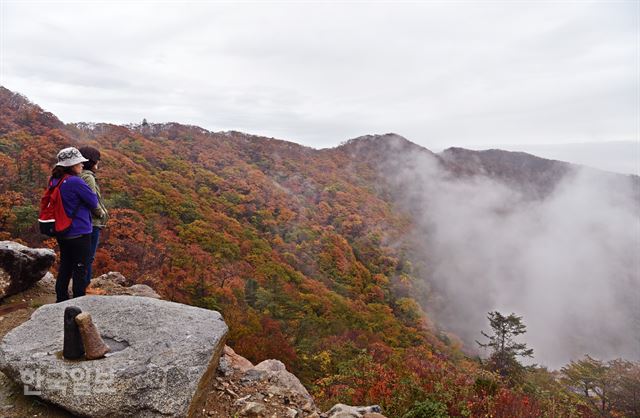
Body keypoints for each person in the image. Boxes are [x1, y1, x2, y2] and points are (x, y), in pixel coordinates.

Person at [50, 147, 102, 302]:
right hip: (79, 231)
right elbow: (93, 201)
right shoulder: (75, 181)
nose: (81, 165)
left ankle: (61, 299)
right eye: (79, 163)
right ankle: (78, 302)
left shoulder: (55, 179)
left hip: (62, 230)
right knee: (80, 268)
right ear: (71, 165)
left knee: (65, 266)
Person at [78, 146, 108, 287]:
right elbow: (92, 199)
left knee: (83, 257)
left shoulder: (77, 175)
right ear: (92, 161)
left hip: (83, 221)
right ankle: (85, 288)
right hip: (92, 222)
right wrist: (101, 213)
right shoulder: (88, 176)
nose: (98, 163)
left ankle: (81, 286)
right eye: (97, 160)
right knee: (88, 257)